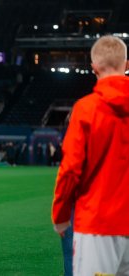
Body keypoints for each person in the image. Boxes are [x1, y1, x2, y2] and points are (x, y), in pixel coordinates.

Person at [52, 35, 129, 275]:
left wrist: (61, 215)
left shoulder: (86, 109)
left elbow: (71, 169)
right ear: (126, 66)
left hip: (97, 224)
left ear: (93, 67)